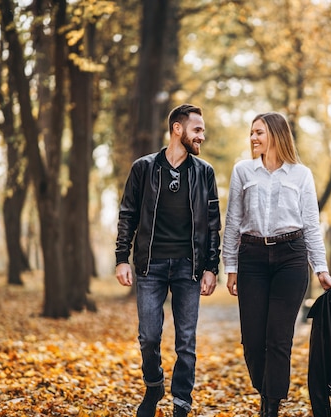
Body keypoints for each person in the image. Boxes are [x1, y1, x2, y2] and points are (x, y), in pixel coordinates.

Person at [222, 111, 331, 417]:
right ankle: (267, 390)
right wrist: (230, 267)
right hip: (252, 259)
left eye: (259, 132)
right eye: (251, 133)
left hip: (291, 257)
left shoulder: (301, 175)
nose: (254, 138)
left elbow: (312, 225)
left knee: (278, 338)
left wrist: (321, 270)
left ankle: (270, 406)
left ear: (276, 134)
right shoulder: (243, 171)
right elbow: (233, 222)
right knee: (252, 341)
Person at [115, 104, 221, 417]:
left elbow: (213, 224)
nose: (203, 135)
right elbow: (128, 215)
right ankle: (154, 384)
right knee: (149, 336)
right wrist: (122, 257)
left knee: (186, 341)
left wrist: (211, 267)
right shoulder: (144, 168)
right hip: (151, 266)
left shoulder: (204, 173)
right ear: (178, 129)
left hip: (189, 267)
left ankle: (181, 401)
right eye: (197, 129)